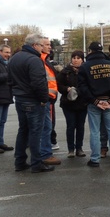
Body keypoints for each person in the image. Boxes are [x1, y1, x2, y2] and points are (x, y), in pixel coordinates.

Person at [9, 34, 54, 173]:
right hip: (33, 100)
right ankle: (36, 163)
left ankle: (20, 161)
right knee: (35, 132)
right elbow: (38, 83)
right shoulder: (34, 60)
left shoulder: (14, 58)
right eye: (41, 45)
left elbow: (10, 79)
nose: (43, 48)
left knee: (23, 131)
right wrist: (43, 99)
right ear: (34, 45)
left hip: (20, 99)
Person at [78, 41, 110, 167]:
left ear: (90, 51)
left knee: (95, 131)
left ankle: (95, 159)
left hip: (94, 103)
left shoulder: (85, 67)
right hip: (109, 102)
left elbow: (82, 87)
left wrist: (95, 101)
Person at [57, 50, 87, 158]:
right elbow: (58, 85)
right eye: (74, 58)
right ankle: (71, 149)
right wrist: (67, 89)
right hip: (68, 103)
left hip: (82, 103)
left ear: (82, 59)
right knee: (70, 126)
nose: (75, 60)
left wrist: (81, 91)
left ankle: (79, 148)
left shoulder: (85, 70)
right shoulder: (65, 72)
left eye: (78, 58)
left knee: (80, 126)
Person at [39, 37, 61, 166]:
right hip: (44, 99)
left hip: (48, 99)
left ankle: (43, 152)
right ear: (39, 46)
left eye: (50, 44)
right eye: (47, 45)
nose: (50, 47)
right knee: (45, 127)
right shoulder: (40, 61)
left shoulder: (45, 61)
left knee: (45, 127)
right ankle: (45, 154)